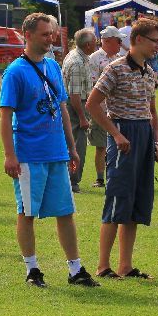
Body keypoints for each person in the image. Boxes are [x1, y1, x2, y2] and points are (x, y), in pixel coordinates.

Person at [0, 13, 98, 289]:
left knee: (65, 211)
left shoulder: (53, 66)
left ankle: (75, 269)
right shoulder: (15, 72)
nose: (50, 39)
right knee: (27, 213)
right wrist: (10, 155)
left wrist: (70, 146)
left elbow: (63, 107)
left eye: (52, 34)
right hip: (30, 153)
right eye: (45, 34)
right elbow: (5, 116)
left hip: (56, 152)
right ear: (27, 35)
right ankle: (32, 268)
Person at [85, 18, 158, 279]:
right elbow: (93, 104)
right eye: (154, 41)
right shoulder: (115, 69)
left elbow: (152, 111)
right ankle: (103, 266)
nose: (157, 46)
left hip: (143, 135)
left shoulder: (149, 72)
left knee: (136, 203)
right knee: (116, 200)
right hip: (124, 135)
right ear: (138, 40)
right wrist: (116, 134)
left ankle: (125, 266)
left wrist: (157, 142)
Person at [86, 26, 123, 188]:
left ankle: (115, 175)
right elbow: (93, 85)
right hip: (100, 108)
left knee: (118, 143)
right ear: (107, 41)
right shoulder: (94, 59)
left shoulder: (120, 58)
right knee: (101, 145)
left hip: (117, 109)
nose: (121, 43)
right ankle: (100, 178)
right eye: (118, 40)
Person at [61, 28, 97, 193]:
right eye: (94, 42)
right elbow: (74, 94)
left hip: (77, 104)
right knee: (78, 145)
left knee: (74, 143)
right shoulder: (77, 62)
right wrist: (82, 117)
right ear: (88, 44)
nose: (96, 44)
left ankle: (70, 180)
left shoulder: (77, 56)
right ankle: (73, 181)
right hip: (76, 106)